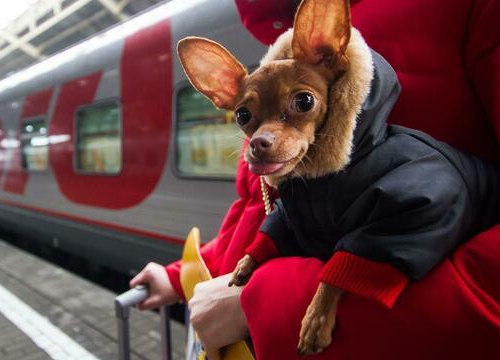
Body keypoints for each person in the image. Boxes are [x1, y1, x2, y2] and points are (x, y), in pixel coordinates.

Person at [130, 0, 500, 359]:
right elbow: (270, 209)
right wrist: (179, 277)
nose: (261, 135)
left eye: (302, 104)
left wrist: (265, 305)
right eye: (246, 117)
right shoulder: (277, 60)